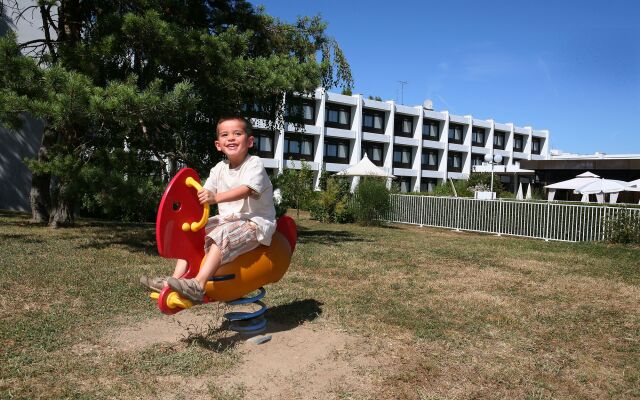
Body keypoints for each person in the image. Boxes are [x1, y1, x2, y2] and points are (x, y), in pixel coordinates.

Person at [140, 116, 276, 302]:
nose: (231, 138)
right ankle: (175, 280)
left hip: (255, 223)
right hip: (228, 219)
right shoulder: (218, 169)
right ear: (218, 144)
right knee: (195, 233)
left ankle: (198, 285)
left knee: (223, 234)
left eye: (237, 133)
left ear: (250, 141)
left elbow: (247, 189)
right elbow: (205, 193)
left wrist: (216, 197)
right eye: (225, 135)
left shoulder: (255, 164)